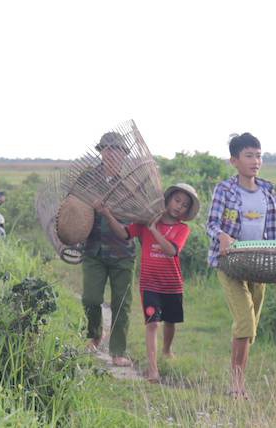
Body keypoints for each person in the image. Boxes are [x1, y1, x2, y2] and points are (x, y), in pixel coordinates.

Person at [206, 133, 276, 400]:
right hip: (230, 263)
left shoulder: (267, 192)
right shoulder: (225, 190)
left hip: (259, 265)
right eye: (249, 155)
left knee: (250, 327)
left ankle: (239, 378)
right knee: (245, 322)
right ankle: (237, 384)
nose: (256, 161)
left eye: (258, 155)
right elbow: (212, 224)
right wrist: (221, 236)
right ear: (234, 160)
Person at [95, 183, 199, 382]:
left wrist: (154, 230)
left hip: (172, 284)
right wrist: (107, 214)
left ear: (187, 211)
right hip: (149, 284)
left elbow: (171, 251)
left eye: (184, 205)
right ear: (167, 200)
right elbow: (124, 234)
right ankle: (153, 369)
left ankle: (167, 350)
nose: (179, 206)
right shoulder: (144, 224)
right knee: (152, 324)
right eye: (177, 200)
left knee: (170, 322)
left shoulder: (182, 229)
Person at [81, 132, 136, 367]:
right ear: (101, 151)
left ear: (124, 154)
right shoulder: (87, 179)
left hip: (123, 251)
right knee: (91, 299)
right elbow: (72, 208)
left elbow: (139, 215)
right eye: (107, 149)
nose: (112, 153)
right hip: (93, 249)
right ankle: (95, 335)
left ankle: (118, 351)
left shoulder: (133, 182)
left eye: (117, 149)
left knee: (121, 303)